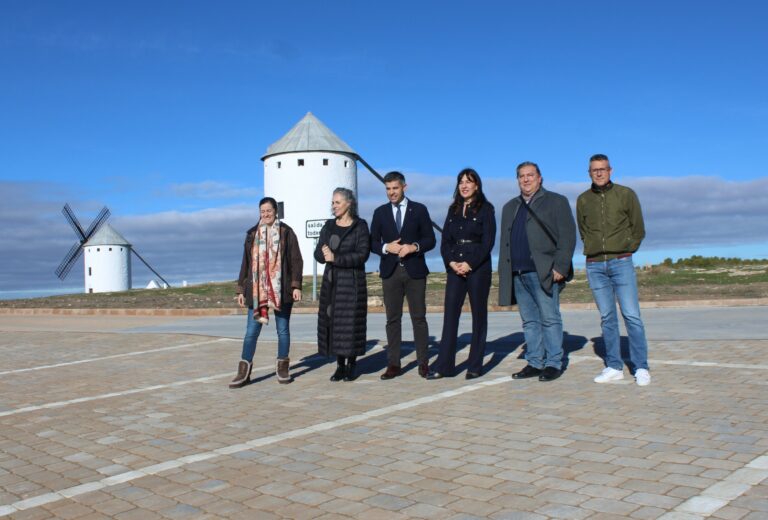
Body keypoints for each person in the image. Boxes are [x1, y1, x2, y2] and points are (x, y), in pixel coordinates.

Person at [576, 154, 651, 386]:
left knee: (631, 315)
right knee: (607, 317)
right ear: (589, 173)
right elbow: (583, 230)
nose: (599, 173)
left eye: (603, 169)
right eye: (594, 170)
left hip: (621, 261)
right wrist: (593, 249)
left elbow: (638, 228)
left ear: (610, 170)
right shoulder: (583, 200)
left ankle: (641, 367)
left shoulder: (626, 194)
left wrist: (627, 248)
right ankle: (614, 366)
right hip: (595, 265)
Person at [498, 162, 576, 382]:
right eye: (521, 176)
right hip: (518, 273)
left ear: (539, 178)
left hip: (544, 271)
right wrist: (505, 272)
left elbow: (568, 236)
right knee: (530, 321)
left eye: (530, 175)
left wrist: (561, 266)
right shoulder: (510, 206)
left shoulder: (556, 201)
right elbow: (505, 242)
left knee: (550, 318)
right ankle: (534, 362)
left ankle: (553, 363)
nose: (526, 179)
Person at [429, 168, 496, 380]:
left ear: (477, 185)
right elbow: (445, 242)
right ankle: (444, 366)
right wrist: (451, 263)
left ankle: (474, 365)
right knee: (450, 316)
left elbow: (488, 242)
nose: (464, 185)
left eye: (468, 181)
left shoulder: (486, 209)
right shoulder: (453, 210)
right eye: (461, 182)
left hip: (477, 268)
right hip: (455, 267)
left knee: (478, 317)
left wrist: (470, 263)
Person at [230, 197, 303, 388]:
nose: (266, 214)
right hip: (257, 290)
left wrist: (296, 286)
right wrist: (241, 289)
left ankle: (283, 367)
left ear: (275, 211)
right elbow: (246, 263)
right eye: (262, 211)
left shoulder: (286, 232)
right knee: (251, 332)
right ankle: (244, 371)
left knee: (283, 330)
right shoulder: (252, 234)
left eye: (269, 210)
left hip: (281, 288)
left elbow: (296, 260)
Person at [370, 171, 436, 379]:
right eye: (388, 189)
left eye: (395, 188)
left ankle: (423, 363)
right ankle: (394, 364)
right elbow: (372, 243)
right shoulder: (380, 213)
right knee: (392, 319)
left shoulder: (419, 210)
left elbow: (430, 239)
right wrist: (386, 247)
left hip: (415, 271)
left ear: (404, 187)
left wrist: (413, 247)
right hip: (390, 272)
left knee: (419, 318)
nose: (391, 192)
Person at [315, 187, 371, 382]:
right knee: (334, 324)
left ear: (349, 203)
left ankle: (351, 364)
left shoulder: (360, 226)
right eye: (333, 202)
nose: (334, 206)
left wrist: (336, 258)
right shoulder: (329, 226)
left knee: (350, 325)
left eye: (337, 202)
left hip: (352, 284)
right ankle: (339, 365)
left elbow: (362, 255)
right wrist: (322, 254)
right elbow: (319, 253)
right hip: (331, 283)